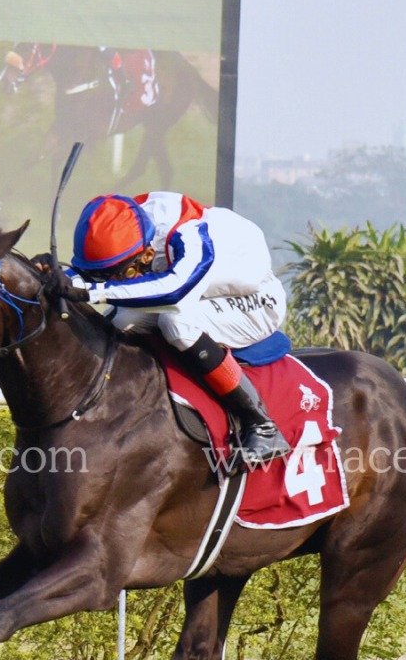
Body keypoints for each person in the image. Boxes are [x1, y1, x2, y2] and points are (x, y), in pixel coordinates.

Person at [67, 192, 292, 466]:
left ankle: (261, 424)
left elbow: (175, 293)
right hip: (200, 294)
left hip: (255, 303)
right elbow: (91, 277)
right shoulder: (129, 231)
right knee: (119, 321)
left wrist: (91, 292)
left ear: (148, 253)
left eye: (116, 273)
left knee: (176, 324)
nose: (110, 281)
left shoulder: (191, 236)